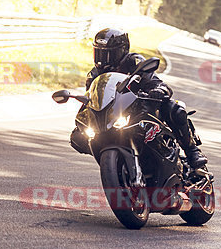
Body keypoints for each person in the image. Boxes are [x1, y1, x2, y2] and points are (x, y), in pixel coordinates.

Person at [70, 28, 208, 169]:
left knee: (175, 109)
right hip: (113, 116)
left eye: (109, 53)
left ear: (123, 50)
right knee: (78, 138)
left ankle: (192, 151)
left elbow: (154, 81)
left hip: (141, 107)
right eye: (99, 52)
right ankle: (118, 166)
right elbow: (92, 100)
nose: (103, 58)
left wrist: (158, 90)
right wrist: (82, 122)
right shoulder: (93, 75)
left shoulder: (134, 62)